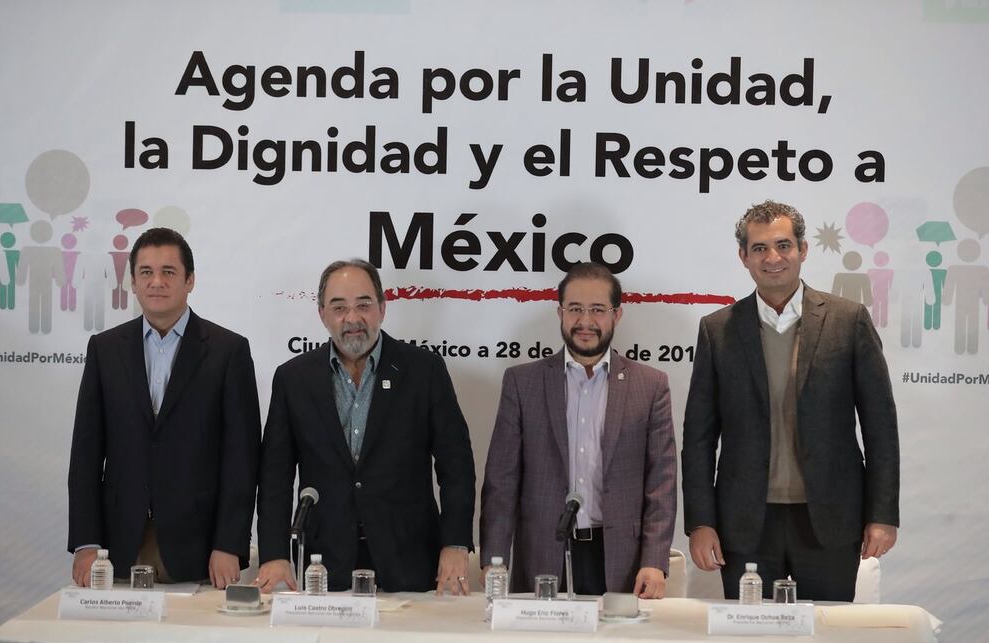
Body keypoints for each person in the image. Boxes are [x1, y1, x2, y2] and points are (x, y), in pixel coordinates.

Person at [682, 200, 900, 601]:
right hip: (745, 524)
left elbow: (880, 427)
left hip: (830, 520)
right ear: (744, 257)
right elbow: (698, 438)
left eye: (783, 245)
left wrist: (882, 514)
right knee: (750, 635)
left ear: (803, 249)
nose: (773, 258)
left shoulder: (848, 320)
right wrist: (700, 522)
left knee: (826, 634)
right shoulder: (717, 330)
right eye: (760, 248)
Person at [255, 259, 476, 594]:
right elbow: (275, 476)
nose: (352, 318)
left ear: (382, 308)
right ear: (322, 314)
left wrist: (455, 543)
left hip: (410, 560)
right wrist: (274, 553)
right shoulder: (293, 378)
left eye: (363, 305)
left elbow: (456, 465)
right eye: (339, 307)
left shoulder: (424, 371)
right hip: (323, 564)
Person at [68, 227, 261, 588]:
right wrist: (86, 541)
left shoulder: (228, 351)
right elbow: (86, 455)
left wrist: (228, 543)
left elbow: (242, 459)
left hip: (201, 547)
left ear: (190, 281)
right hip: (117, 545)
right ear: (133, 282)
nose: (156, 282)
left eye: (168, 272)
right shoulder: (104, 350)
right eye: (146, 272)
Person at [480, 262, 677, 598]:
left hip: (621, 559)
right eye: (575, 309)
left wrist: (654, 560)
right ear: (560, 313)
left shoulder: (650, 386)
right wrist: (494, 559)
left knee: (616, 636)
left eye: (598, 309)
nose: (585, 321)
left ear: (616, 315)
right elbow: (502, 481)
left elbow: (662, 481)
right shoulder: (522, 383)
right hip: (543, 554)